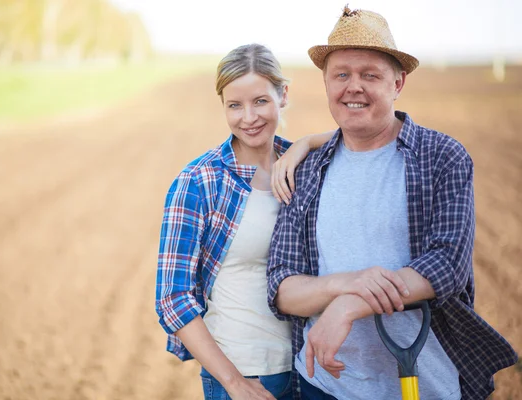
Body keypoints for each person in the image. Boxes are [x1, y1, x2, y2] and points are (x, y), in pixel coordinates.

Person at [267, 6, 518, 400]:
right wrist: (348, 284)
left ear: (397, 83)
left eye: (370, 75)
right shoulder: (307, 169)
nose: (354, 87)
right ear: (325, 82)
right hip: (325, 386)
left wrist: (349, 305)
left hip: (425, 384)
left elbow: (446, 265)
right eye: (342, 75)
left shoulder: (441, 157)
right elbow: (282, 287)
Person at [155, 43, 338, 400]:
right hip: (247, 373)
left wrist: (306, 143)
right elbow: (172, 298)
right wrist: (234, 382)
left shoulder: (303, 165)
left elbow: (374, 131)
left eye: (260, 101)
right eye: (234, 106)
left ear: (283, 95)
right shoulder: (200, 181)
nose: (248, 117)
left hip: (311, 368)